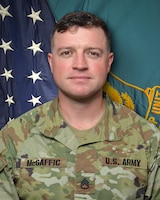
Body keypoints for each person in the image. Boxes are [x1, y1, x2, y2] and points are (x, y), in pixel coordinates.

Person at [0, 11, 159, 200]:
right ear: (51, 63)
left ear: (108, 63)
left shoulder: (150, 141)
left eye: (92, 53)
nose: (80, 64)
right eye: (67, 53)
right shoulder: (13, 138)